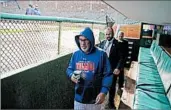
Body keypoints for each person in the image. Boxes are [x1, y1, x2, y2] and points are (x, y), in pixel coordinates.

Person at [66, 27, 113, 110]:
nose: (83, 43)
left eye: (85, 40)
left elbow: (108, 75)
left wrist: (103, 92)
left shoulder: (101, 54)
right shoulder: (76, 54)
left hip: (95, 99)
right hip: (79, 98)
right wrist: (71, 75)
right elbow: (69, 69)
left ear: (91, 41)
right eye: (81, 40)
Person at [98, 27, 126, 109]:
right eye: (106, 34)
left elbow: (122, 58)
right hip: (102, 70)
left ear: (113, 34)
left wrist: (118, 68)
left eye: (109, 34)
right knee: (101, 85)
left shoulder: (118, 44)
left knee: (112, 87)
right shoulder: (102, 43)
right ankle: (100, 100)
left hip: (112, 70)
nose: (107, 36)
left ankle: (110, 103)